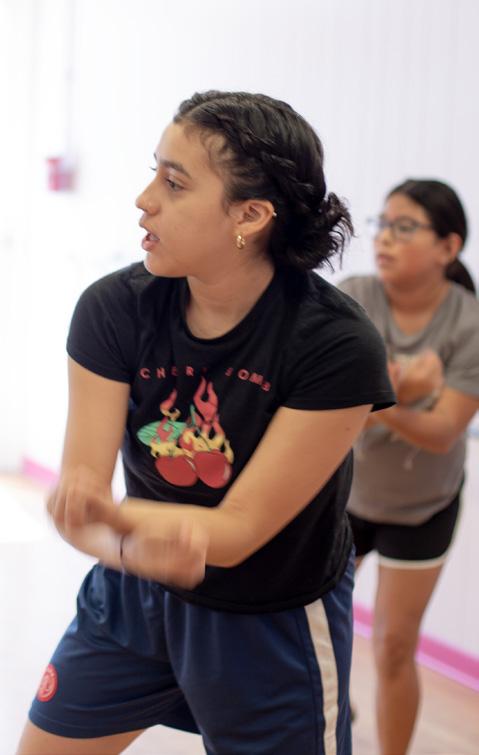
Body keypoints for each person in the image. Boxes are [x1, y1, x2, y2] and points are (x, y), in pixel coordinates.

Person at [16, 91, 394, 755]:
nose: (144, 200)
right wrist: (121, 546)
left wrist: (117, 518)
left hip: (269, 619)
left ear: (250, 215)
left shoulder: (333, 342)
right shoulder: (113, 309)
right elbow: (82, 495)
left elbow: (237, 532)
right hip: (131, 598)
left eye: (174, 183)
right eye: (154, 172)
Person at [338, 179, 479, 755]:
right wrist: (403, 392)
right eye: (382, 224)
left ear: (448, 247)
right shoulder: (351, 300)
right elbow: (324, 416)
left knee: (394, 647)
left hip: (423, 506)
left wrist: (376, 400)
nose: (384, 239)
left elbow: (443, 432)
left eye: (404, 227)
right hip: (344, 496)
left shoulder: (468, 324)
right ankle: (331, 712)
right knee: (312, 627)